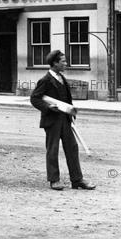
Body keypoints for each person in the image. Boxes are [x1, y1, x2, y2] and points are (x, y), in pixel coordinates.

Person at [30, 50, 95, 190]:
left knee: (72, 148)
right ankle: (54, 180)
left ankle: (77, 180)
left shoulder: (62, 78)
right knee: (52, 150)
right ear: (55, 63)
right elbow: (34, 98)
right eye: (63, 61)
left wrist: (71, 113)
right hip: (52, 121)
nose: (66, 64)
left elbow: (66, 99)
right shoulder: (45, 80)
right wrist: (48, 107)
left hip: (65, 120)